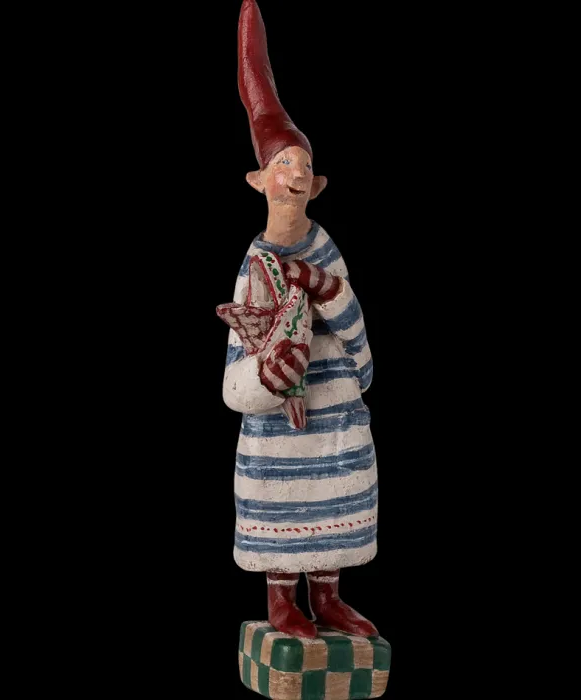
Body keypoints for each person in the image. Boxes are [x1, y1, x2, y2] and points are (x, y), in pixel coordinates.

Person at [220, 0, 379, 639]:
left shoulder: (325, 252)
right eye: (282, 165)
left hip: (332, 415)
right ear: (259, 181)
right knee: (282, 503)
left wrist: (324, 287)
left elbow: (356, 334)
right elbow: (235, 377)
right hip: (277, 430)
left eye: (303, 169)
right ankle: (282, 600)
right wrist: (267, 374)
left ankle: (330, 597)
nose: (294, 176)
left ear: (316, 188)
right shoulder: (254, 265)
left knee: (332, 497)